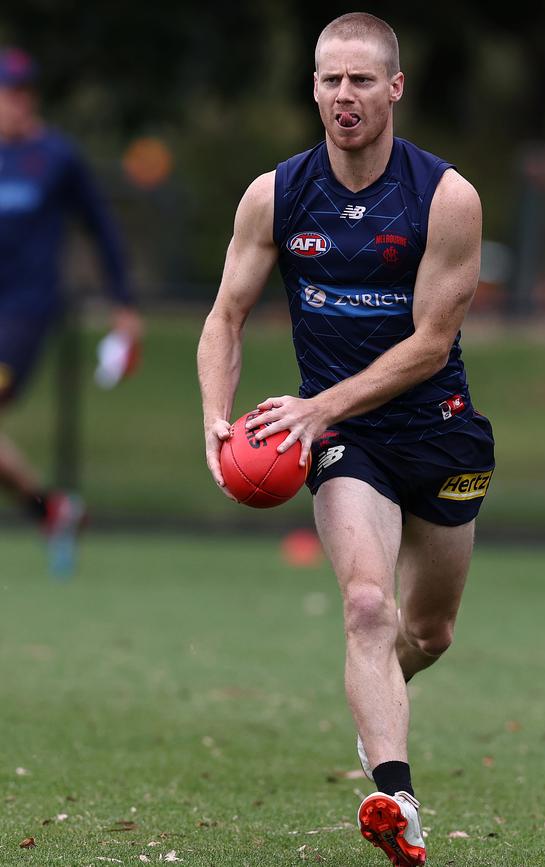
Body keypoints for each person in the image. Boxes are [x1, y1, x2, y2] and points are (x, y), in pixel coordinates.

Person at [198, 13, 494, 866]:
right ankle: (396, 798)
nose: (344, 96)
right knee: (367, 604)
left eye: (362, 80)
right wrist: (218, 417)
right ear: (315, 89)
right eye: (330, 79)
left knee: (426, 633)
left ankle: (379, 700)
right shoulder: (278, 195)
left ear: (394, 88)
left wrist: (318, 403)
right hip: (342, 441)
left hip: (438, 430)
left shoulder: (446, 198)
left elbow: (430, 344)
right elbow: (224, 317)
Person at [0, 47, 141, 539]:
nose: (19, 102)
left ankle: (48, 512)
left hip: (24, 314)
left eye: (24, 92)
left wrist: (123, 302)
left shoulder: (56, 157)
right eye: (9, 93)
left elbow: (101, 228)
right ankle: (51, 512)